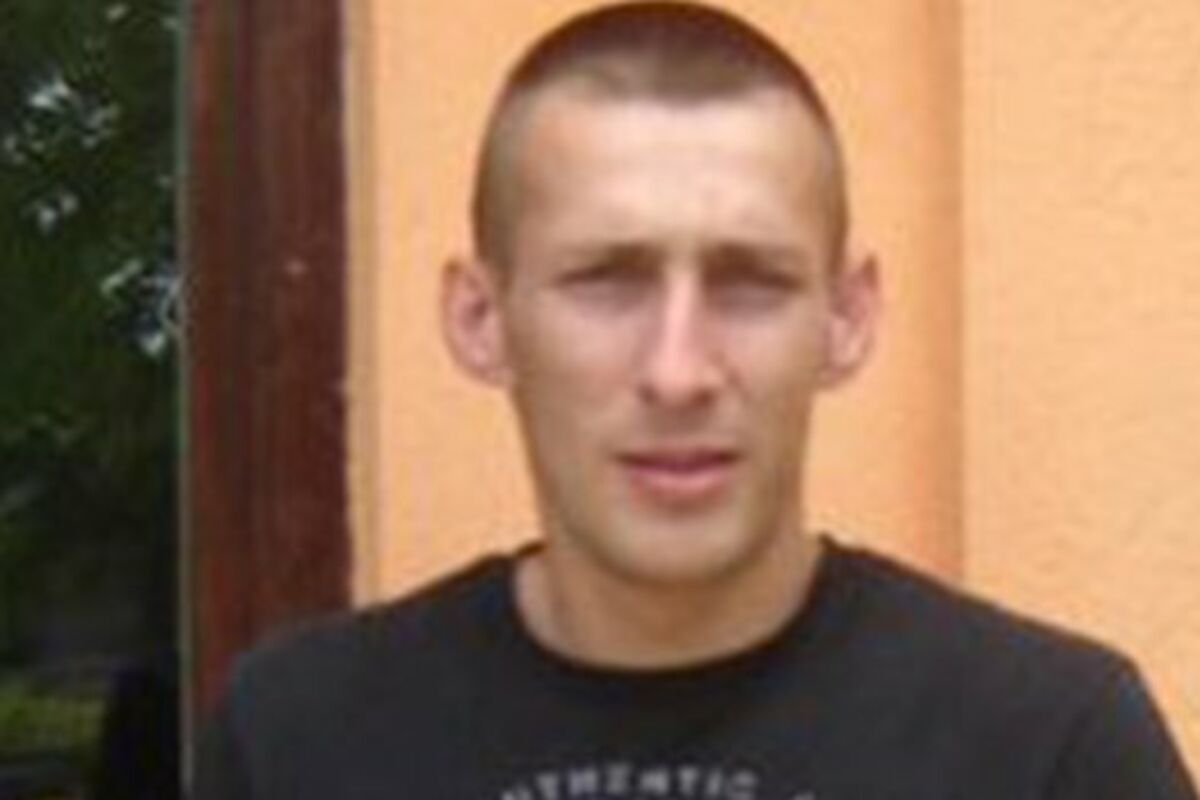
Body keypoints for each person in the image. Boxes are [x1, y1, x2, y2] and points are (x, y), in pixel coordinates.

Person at [193, 3, 1197, 798]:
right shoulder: (299, 739)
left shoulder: (1050, 749)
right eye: (607, 279)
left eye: (751, 281)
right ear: (480, 317)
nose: (679, 371)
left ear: (846, 317)